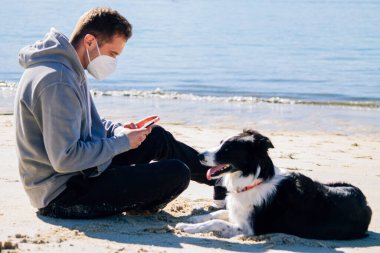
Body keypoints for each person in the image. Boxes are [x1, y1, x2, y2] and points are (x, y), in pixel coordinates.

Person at [14, 7, 226, 219]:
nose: (114, 62)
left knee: (155, 137)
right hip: (63, 193)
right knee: (177, 173)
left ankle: (218, 178)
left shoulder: (68, 68)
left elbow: (89, 125)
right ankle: (138, 203)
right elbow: (65, 159)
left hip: (82, 172)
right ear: (90, 41)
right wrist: (122, 142)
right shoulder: (58, 81)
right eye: (112, 54)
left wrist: (122, 130)